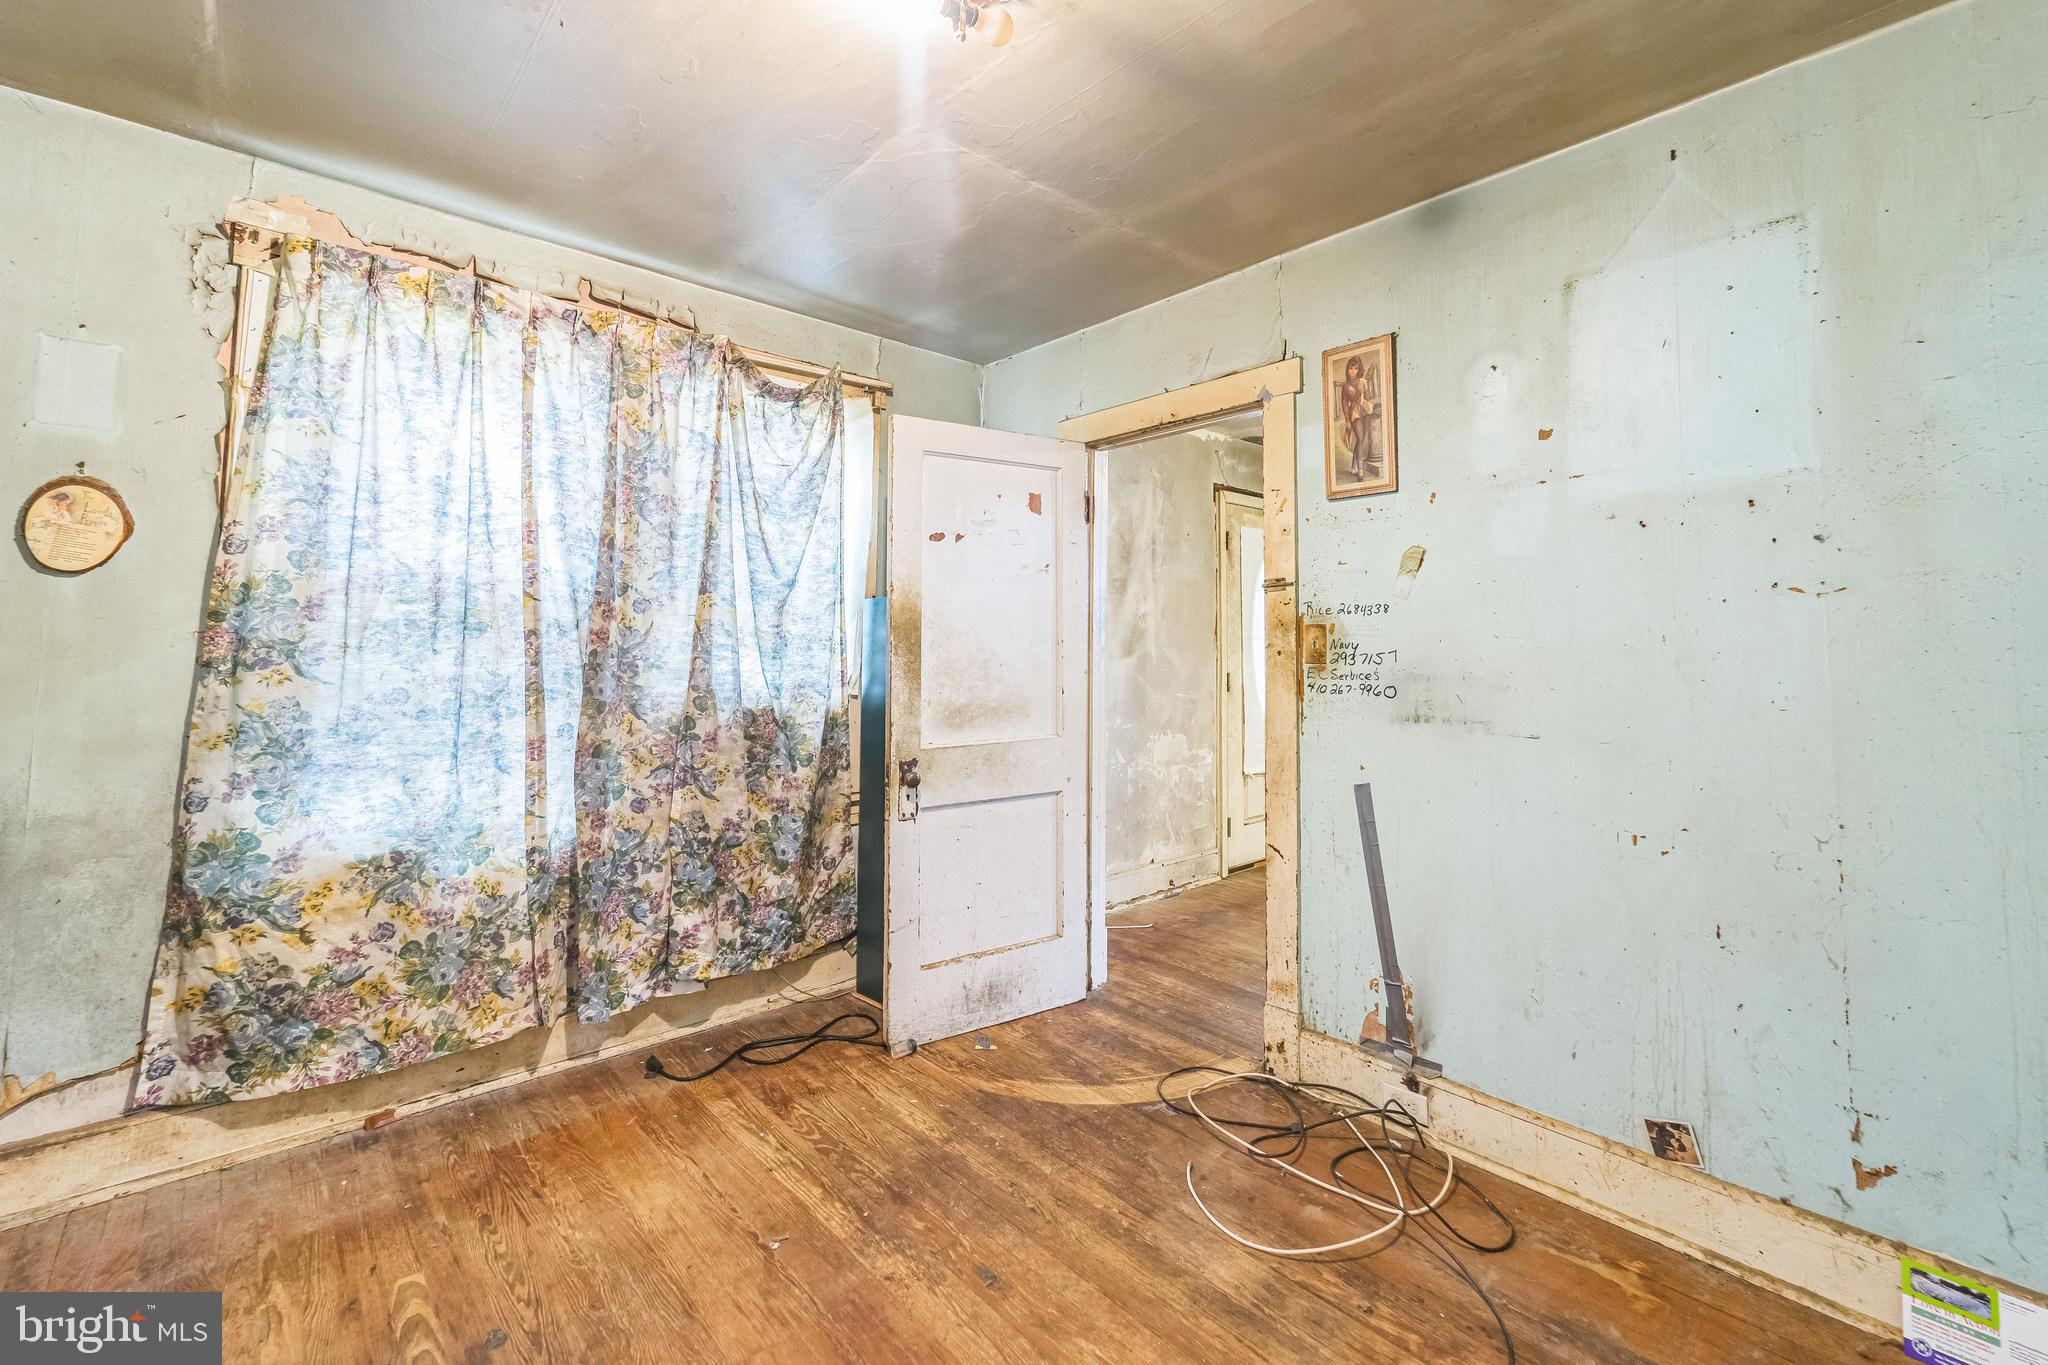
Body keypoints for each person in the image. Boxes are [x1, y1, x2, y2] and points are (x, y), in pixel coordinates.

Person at [1338, 354, 1382, 482]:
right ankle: (1360, 471)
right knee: (1360, 438)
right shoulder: (1345, 386)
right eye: (1351, 368)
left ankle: (1353, 466)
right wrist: (1347, 420)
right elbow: (1344, 404)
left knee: (1360, 440)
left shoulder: (1363, 381)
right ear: (1347, 369)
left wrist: (1372, 406)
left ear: (1359, 369)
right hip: (1355, 413)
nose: (1353, 371)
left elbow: (1368, 396)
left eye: (1356, 368)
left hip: (1366, 410)